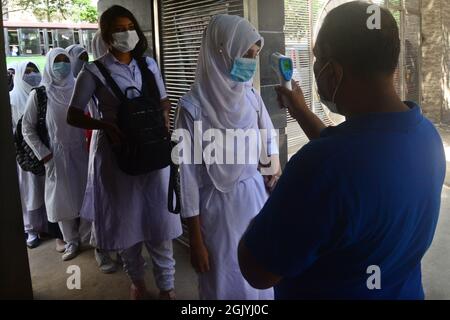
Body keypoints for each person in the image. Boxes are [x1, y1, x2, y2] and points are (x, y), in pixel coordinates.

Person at [238, 1, 446, 300]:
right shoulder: (426, 136)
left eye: (317, 58)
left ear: (333, 71)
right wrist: (301, 110)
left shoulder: (320, 167)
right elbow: (356, 166)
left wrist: (261, 218)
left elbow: (257, 270)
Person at [66, 5, 182, 299]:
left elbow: (165, 101)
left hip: (153, 151)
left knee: (159, 222)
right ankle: (138, 282)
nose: (126, 33)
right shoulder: (94, 71)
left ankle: (166, 287)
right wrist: (104, 123)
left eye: (130, 26)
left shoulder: (149, 65)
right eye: (119, 28)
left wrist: (161, 123)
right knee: (127, 223)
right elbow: (73, 114)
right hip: (118, 155)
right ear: (106, 34)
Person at [175, 14, 279, 300]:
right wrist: (195, 238)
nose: (251, 61)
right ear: (221, 50)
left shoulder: (250, 96)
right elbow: (187, 178)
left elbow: (268, 137)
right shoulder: (191, 108)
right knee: (224, 281)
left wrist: (272, 166)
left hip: (255, 199)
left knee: (259, 280)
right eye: (245, 53)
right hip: (216, 210)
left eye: (255, 54)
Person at [22, 48, 89, 261]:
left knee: (87, 198)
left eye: (65, 60)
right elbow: (27, 128)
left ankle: (94, 242)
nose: (63, 65)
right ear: (49, 65)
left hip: (82, 151)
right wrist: (44, 154)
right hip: (55, 155)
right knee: (61, 201)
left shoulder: (80, 87)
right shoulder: (40, 94)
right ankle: (71, 241)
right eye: (57, 61)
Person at [9, 61, 47, 248]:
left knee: (44, 188)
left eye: (35, 71)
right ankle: (31, 229)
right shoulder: (12, 98)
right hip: (24, 154)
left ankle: (46, 226)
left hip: (43, 150)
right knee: (29, 191)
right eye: (28, 72)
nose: (32, 75)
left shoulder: (41, 94)